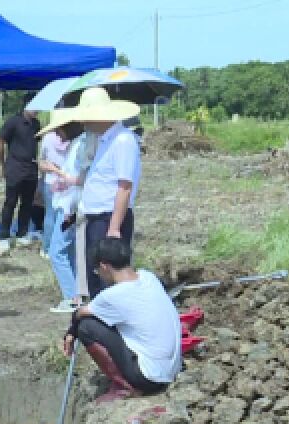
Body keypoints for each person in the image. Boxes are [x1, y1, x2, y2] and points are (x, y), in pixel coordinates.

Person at [61, 237, 182, 403]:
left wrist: (71, 332)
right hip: (171, 371)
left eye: (97, 270)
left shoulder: (112, 296)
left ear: (104, 266)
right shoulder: (148, 277)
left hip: (149, 378)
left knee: (86, 327)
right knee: (102, 320)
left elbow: (80, 314)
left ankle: (125, 386)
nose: (99, 275)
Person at [73, 89, 142, 296]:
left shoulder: (123, 140)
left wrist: (113, 227)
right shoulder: (104, 140)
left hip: (108, 220)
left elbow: (124, 186)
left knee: (109, 281)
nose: (83, 122)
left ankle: (111, 325)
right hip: (96, 218)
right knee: (95, 277)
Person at [37, 112, 85, 312]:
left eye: (58, 129)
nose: (57, 134)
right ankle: (77, 294)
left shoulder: (79, 147)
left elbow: (77, 182)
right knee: (68, 251)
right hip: (68, 205)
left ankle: (72, 297)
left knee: (57, 251)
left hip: (70, 207)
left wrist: (56, 172)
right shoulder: (77, 145)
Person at [0, 94, 41, 255]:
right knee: (10, 203)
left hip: (31, 169)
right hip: (14, 168)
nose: (37, 110)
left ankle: (22, 233)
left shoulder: (36, 124)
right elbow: (0, 142)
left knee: (27, 203)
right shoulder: (13, 122)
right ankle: (4, 237)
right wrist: (2, 164)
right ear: (26, 105)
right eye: (35, 106)